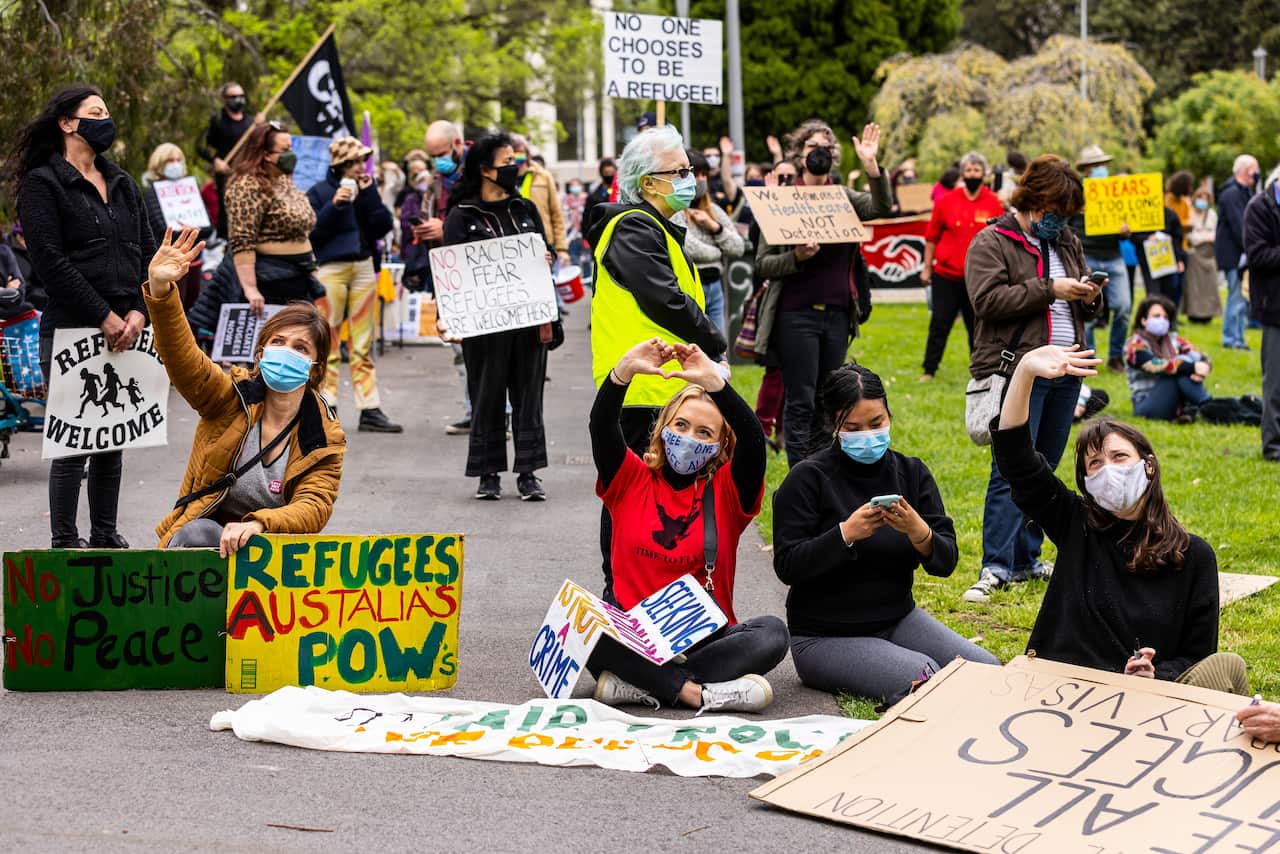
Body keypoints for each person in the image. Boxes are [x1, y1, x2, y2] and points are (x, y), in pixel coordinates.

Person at [992, 343, 1248, 694]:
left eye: (1119, 456)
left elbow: (1197, 656)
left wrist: (1153, 673)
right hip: (1061, 695)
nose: (1108, 469)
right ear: (1087, 484)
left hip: (1143, 703)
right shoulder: (1075, 523)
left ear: (1149, 465)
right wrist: (1024, 372)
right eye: (1095, 463)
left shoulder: (1195, 557)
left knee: (1227, 667)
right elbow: (1016, 460)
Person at [772, 363, 998, 706]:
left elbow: (946, 561)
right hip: (824, 637)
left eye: (876, 423)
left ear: (889, 414)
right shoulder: (807, 479)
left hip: (898, 619)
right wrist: (845, 534)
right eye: (853, 427)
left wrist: (918, 531)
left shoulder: (911, 472)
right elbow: (788, 565)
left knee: (987, 670)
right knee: (926, 678)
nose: (867, 435)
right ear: (835, 425)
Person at [586, 338, 787, 713]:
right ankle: (699, 693)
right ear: (663, 428)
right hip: (635, 636)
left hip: (705, 639)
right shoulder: (629, 477)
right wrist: (622, 373)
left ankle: (644, 684)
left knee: (773, 634)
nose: (689, 437)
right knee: (587, 629)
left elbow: (755, 445)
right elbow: (601, 426)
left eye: (704, 432)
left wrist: (716, 384)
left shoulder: (727, 490)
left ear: (720, 444)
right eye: (681, 425)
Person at [11, 84, 157, 548]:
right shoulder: (42, 184)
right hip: (74, 327)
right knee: (74, 443)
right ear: (67, 123)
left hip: (128, 329)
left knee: (113, 438)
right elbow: (51, 262)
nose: (106, 119)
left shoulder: (123, 183)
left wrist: (137, 310)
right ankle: (65, 541)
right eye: (96, 112)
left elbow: (149, 254)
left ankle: (105, 535)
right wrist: (104, 316)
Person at [586, 124, 726, 601]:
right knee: (630, 506)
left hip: (663, 391)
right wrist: (715, 343)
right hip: (641, 392)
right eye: (681, 170)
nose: (692, 178)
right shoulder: (633, 228)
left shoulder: (659, 229)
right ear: (648, 183)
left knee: (664, 509)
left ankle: (664, 602)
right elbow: (666, 301)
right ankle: (621, 603)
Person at [145, 228, 345, 555]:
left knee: (260, 550)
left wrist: (258, 524)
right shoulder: (228, 398)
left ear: (316, 367)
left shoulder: (325, 434)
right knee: (199, 534)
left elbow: (314, 505)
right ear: (260, 353)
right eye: (277, 342)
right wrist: (161, 289)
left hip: (272, 548)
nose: (286, 352)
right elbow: (183, 357)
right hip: (206, 540)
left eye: (300, 347)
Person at [962, 154, 1104, 603]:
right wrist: (1052, 288)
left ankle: (1027, 557)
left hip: (1066, 369)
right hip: (1018, 370)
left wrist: (1088, 295)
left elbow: (1076, 305)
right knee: (1010, 468)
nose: (1059, 222)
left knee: (1043, 467)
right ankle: (996, 565)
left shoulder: (1065, 241)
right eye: (1053, 212)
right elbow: (987, 301)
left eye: (1065, 215)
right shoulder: (992, 240)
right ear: (1032, 201)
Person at [755, 120, 892, 466]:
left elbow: (881, 207)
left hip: (837, 316)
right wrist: (796, 257)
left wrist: (872, 166)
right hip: (796, 315)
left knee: (827, 398)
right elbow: (763, 264)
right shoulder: (782, 200)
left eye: (827, 148)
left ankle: (821, 469)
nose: (819, 153)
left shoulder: (844, 196)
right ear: (799, 155)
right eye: (812, 146)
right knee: (800, 399)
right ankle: (801, 473)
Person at [441, 132, 561, 501]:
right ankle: (487, 473)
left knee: (529, 397)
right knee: (487, 395)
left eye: (516, 160)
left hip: (528, 321)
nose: (515, 167)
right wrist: (451, 318)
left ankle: (528, 473)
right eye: (507, 162)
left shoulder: (524, 208)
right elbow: (451, 273)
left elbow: (546, 249)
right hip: (485, 327)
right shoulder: (461, 216)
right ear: (485, 171)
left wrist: (547, 258)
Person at [306, 136, 400, 433]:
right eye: (356, 161)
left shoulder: (366, 190)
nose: (362, 166)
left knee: (362, 343)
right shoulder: (319, 192)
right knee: (328, 342)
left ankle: (369, 408)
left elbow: (383, 225)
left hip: (363, 267)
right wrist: (334, 206)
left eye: (363, 161)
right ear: (341, 165)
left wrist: (370, 195)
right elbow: (312, 234)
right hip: (330, 271)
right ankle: (326, 405)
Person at [920, 151, 1004, 382]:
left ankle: (980, 370)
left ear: (984, 174)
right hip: (946, 275)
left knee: (978, 326)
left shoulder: (994, 203)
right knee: (939, 323)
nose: (972, 174)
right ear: (962, 173)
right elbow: (931, 237)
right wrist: (927, 267)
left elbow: (1001, 239)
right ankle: (929, 370)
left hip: (978, 279)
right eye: (968, 170)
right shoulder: (946, 201)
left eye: (976, 170)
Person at [412, 120, 471, 435]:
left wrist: (444, 227)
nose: (439, 161)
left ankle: (498, 414)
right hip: (448, 273)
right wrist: (424, 227)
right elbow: (429, 214)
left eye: (443, 153)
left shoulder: (482, 171)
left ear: (458, 143)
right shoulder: (436, 182)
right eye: (433, 155)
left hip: (480, 272)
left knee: (490, 350)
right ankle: (473, 411)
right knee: (459, 347)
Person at [223, 122, 318, 312]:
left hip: (299, 277)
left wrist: (312, 269)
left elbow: (301, 231)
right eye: (284, 150)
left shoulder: (283, 180)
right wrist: (250, 289)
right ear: (265, 155)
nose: (291, 155)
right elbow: (242, 240)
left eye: (290, 148)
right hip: (271, 281)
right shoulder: (247, 186)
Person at [1071, 145, 1132, 373]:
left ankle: (1116, 356)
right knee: (1088, 309)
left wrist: (1126, 231)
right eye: (1096, 166)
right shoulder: (1076, 195)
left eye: (1103, 165)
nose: (1101, 170)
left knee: (1124, 307)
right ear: (1086, 170)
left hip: (1114, 256)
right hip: (1087, 256)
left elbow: (1127, 227)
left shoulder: (1117, 192)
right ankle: (1090, 356)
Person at [671, 149, 745, 338]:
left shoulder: (714, 210)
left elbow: (738, 247)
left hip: (715, 287)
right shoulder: (675, 210)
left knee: (719, 345)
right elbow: (689, 247)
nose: (701, 179)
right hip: (689, 288)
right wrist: (719, 251)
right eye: (696, 174)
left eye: (705, 174)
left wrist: (714, 228)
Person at [140, 143, 212, 309]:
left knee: (191, 308)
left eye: (179, 160)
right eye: (170, 160)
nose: (175, 164)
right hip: (169, 265)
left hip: (194, 264)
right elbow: (162, 230)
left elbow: (209, 228)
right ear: (159, 164)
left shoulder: (190, 190)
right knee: (173, 309)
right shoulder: (152, 194)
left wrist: (194, 230)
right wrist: (195, 230)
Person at [1124, 295, 1211, 422]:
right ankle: (1207, 405)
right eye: (1156, 316)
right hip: (1146, 404)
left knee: (1184, 362)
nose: (1162, 320)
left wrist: (1202, 370)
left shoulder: (1173, 340)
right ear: (1143, 320)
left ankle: (1201, 407)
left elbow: (1201, 357)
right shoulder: (1133, 345)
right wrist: (1192, 368)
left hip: (1171, 399)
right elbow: (1155, 364)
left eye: (1165, 317)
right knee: (1179, 365)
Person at [1244, 166, 1280, 462]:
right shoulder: (1259, 207)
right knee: (1276, 383)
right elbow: (1257, 256)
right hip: (1274, 306)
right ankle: (1274, 446)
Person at [197, 82, 255, 238]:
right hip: (226, 176)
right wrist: (215, 160)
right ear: (225, 98)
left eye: (241, 96)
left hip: (249, 174)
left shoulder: (251, 122)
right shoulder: (216, 121)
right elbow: (202, 145)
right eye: (234, 96)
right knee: (227, 214)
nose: (238, 100)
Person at [1218, 154, 1259, 350]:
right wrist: (1253, 247)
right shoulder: (1231, 194)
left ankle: (1238, 337)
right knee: (1235, 297)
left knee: (1243, 298)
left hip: (1243, 254)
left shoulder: (1245, 193)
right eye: (1255, 169)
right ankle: (1230, 338)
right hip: (1234, 255)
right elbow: (1239, 226)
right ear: (1246, 170)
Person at [511, 135, 569, 268]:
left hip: (544, 246)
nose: (517, 155)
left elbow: (556, 213)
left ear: (527, 153)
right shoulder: (504, 178)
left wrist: (561, 249)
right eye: (514, 151)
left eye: (520, 151)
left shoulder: (543, 176)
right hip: (515, 248)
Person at [1183, 186, 1223, 323]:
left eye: (1206, 198)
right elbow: (1189, 234)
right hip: (1195, 252)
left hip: (1209, 253)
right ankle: (1194, 314)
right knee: (1194, 285)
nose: (1203, 201)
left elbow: (1216, 232)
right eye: (1201, 197)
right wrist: (1203, 236)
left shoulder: (1211, 214)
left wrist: (1205, 235)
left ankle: (1208, 314)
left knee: (1209, 285)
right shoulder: (1189, 212)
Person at [701, 137, 740, 214]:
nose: (713, 158)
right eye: (708, 156)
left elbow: (731, 194)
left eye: (716, 155)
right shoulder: (700, 177)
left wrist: (726, 155)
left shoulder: (723, 177)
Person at [583, 157, 616, 232]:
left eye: (612, 173)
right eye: (606, 173)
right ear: (601, 173)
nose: (609, 176)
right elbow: (587, 218)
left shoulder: (621, 193)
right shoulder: (593, 196)